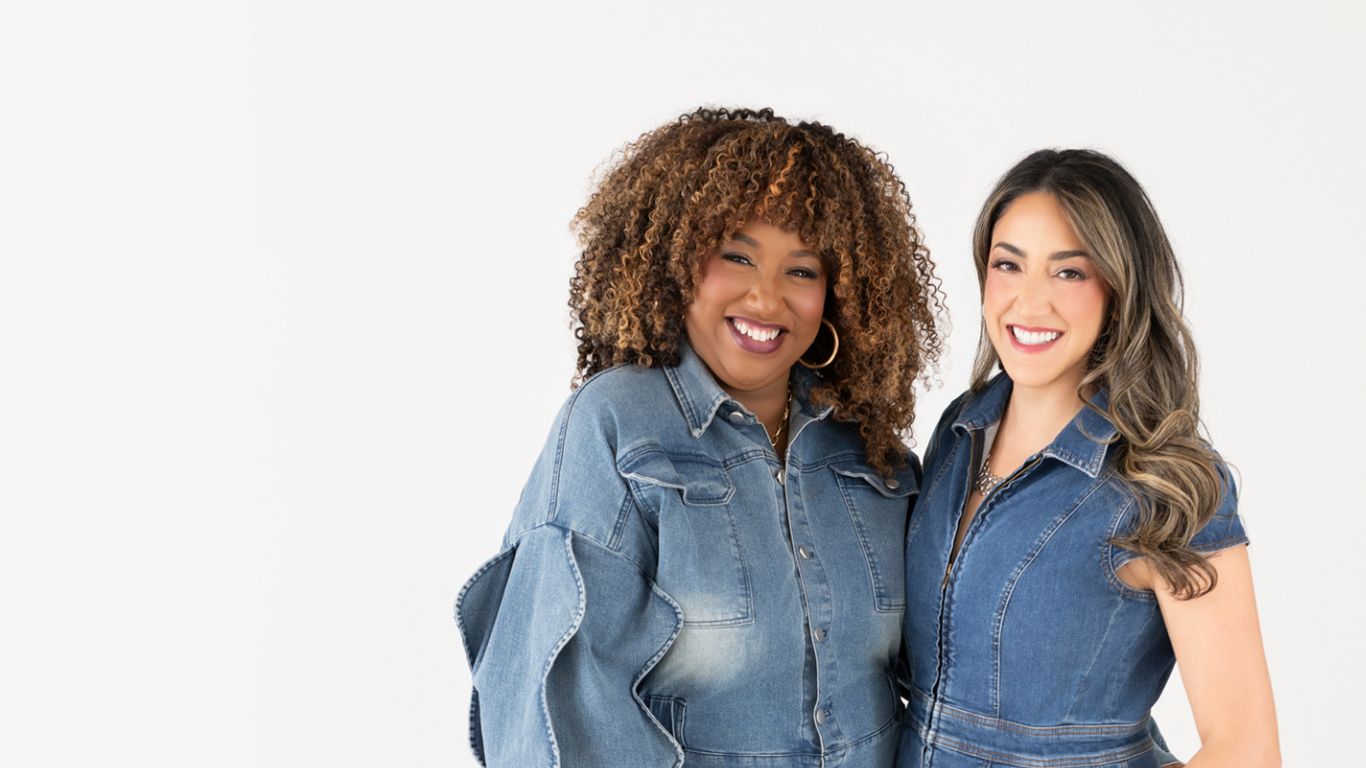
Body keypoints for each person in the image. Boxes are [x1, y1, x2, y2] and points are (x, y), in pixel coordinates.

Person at [456, 107, 946, 767]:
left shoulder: (873, 456)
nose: (767, 299)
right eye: (736, 256)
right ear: (676, 262)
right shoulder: (617, 427)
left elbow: (940, 685)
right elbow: (549, 709)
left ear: (840, 294)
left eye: (802, 270)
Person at [897, 149, 1279, 768]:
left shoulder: (1166, 481)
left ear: (1119, 288)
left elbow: (1247, 750)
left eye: (1068, 273)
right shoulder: (957, 433)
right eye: (1008, 264)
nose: (1029, 302)